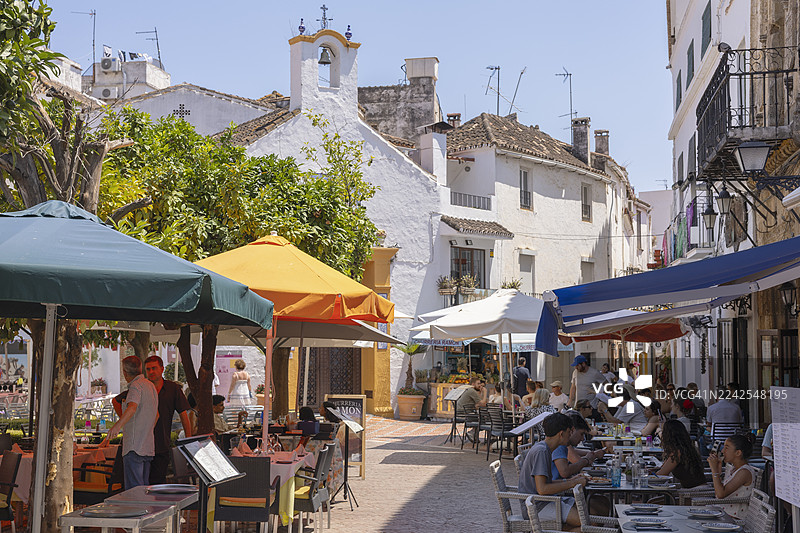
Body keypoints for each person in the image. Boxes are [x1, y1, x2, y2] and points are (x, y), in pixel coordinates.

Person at [518, 412, 588, 531]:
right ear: (561, 434)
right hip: (538, 506)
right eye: (569, 432)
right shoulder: (542, 451)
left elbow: (547, 482)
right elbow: (542, 489)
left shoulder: (544, 448)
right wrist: (572, 483)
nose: (570, 435)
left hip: (544, 501)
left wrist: (570, 480)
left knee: (584, 513)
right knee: (586, 524)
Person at [100, 356, 159, 490]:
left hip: (134, 446)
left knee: (134, 491)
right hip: (148, 445)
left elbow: (132, 406)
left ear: (125, 373)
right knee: (144, 490)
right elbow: (156, 415)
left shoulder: (136, 386)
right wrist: (145, 429)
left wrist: (117, 426)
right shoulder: (150, 386)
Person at [144, 355, 192, 485]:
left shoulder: (172, 389)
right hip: (142, 445)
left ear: (162, 369)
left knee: (158, 482)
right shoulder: (141, 388)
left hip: (161, 443)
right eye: (148, 369)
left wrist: (188, 439)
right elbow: (120, 402)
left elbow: (183, 414)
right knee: (142, 484)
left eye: (154, 368)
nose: (151, 372)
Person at [707, 433, 756, 519]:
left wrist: (714, 471)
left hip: (733, 519)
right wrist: (718, 472)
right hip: (723, 513)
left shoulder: (744, 472)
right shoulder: (733, 468)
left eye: (726, 448)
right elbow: (718, 493)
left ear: (738, 453)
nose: (722, 451)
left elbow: (720, 495)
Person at [552, 413, 607, 480]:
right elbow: (565, 472)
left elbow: (572, 451)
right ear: (572, 430)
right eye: (581, 434)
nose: (582, 439)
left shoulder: (563, 445)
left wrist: (591, 453)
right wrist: (587, 459)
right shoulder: (560, 445)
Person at [656, 419, 707, 488]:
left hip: (695, 493)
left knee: (654, 499)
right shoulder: (686, 448)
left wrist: (648, 475)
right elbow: (664, 468)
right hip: (696, 490)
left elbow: (662, 474)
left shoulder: (677, 453)